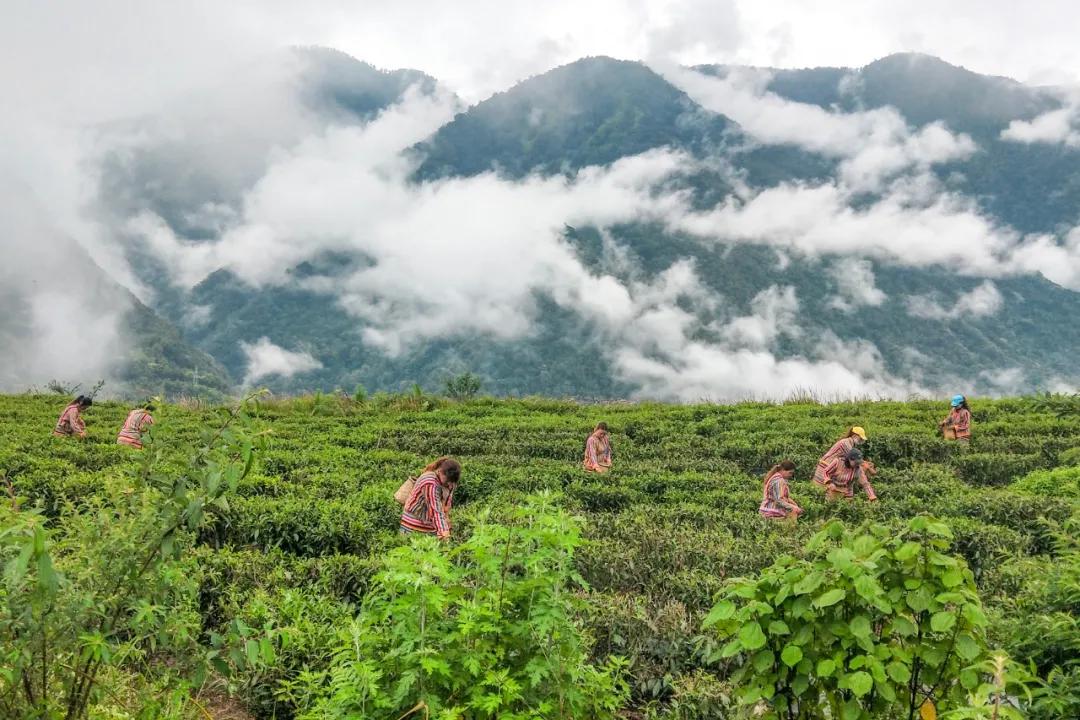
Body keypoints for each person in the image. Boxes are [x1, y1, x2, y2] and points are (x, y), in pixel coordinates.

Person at [400, 457, 461, 540]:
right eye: (447, 481)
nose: (450, 485)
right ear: (440, 472)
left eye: (452, 483)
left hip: (429, 521)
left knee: (435, 542)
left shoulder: (450, 483)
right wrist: (444, 532)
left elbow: (446, 505)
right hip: (414, 520)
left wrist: (446, 521)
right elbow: (435, 510)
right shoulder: (430, 483)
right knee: (414, 545)